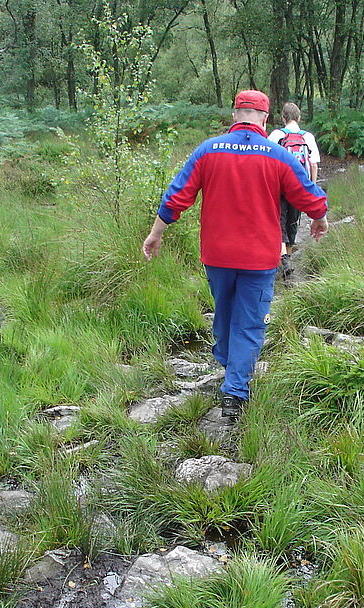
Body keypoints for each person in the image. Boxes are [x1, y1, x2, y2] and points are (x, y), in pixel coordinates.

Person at [142, 90, 329, 419]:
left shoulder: (208, 150)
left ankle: (231, 370)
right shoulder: (278, 155)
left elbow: (177, 195)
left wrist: (156, 233)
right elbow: (308, 194)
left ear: (234, 115)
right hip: (260, 257)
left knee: (225, 312)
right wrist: (320, 218)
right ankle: (235, 391)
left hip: (217, 254)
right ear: (265, 118)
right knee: (250, 322)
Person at [267, 102, 321, 281]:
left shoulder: (276, 135)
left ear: (283, 118)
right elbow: (313, 164)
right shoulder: (308, 137)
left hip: (279, 187)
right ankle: (288, 259)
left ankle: (283, 260)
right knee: (293, 222)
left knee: (279, 222)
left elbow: (266, 161)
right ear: (299, 117)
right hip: (298, 187)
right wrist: (310, 188)